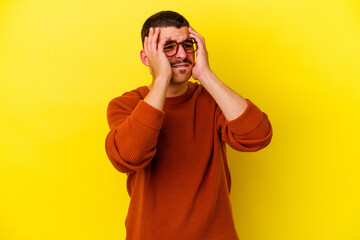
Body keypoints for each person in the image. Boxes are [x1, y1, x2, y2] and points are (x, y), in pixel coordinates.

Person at [105, 10, 273, 240]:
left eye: (187, 44)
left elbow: (258, 135)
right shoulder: (126, 105)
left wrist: (205, 74)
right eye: (169, 47)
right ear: (147, 58)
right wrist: (162, 78)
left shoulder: (212, 100)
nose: (182, 54)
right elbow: (129, 156)